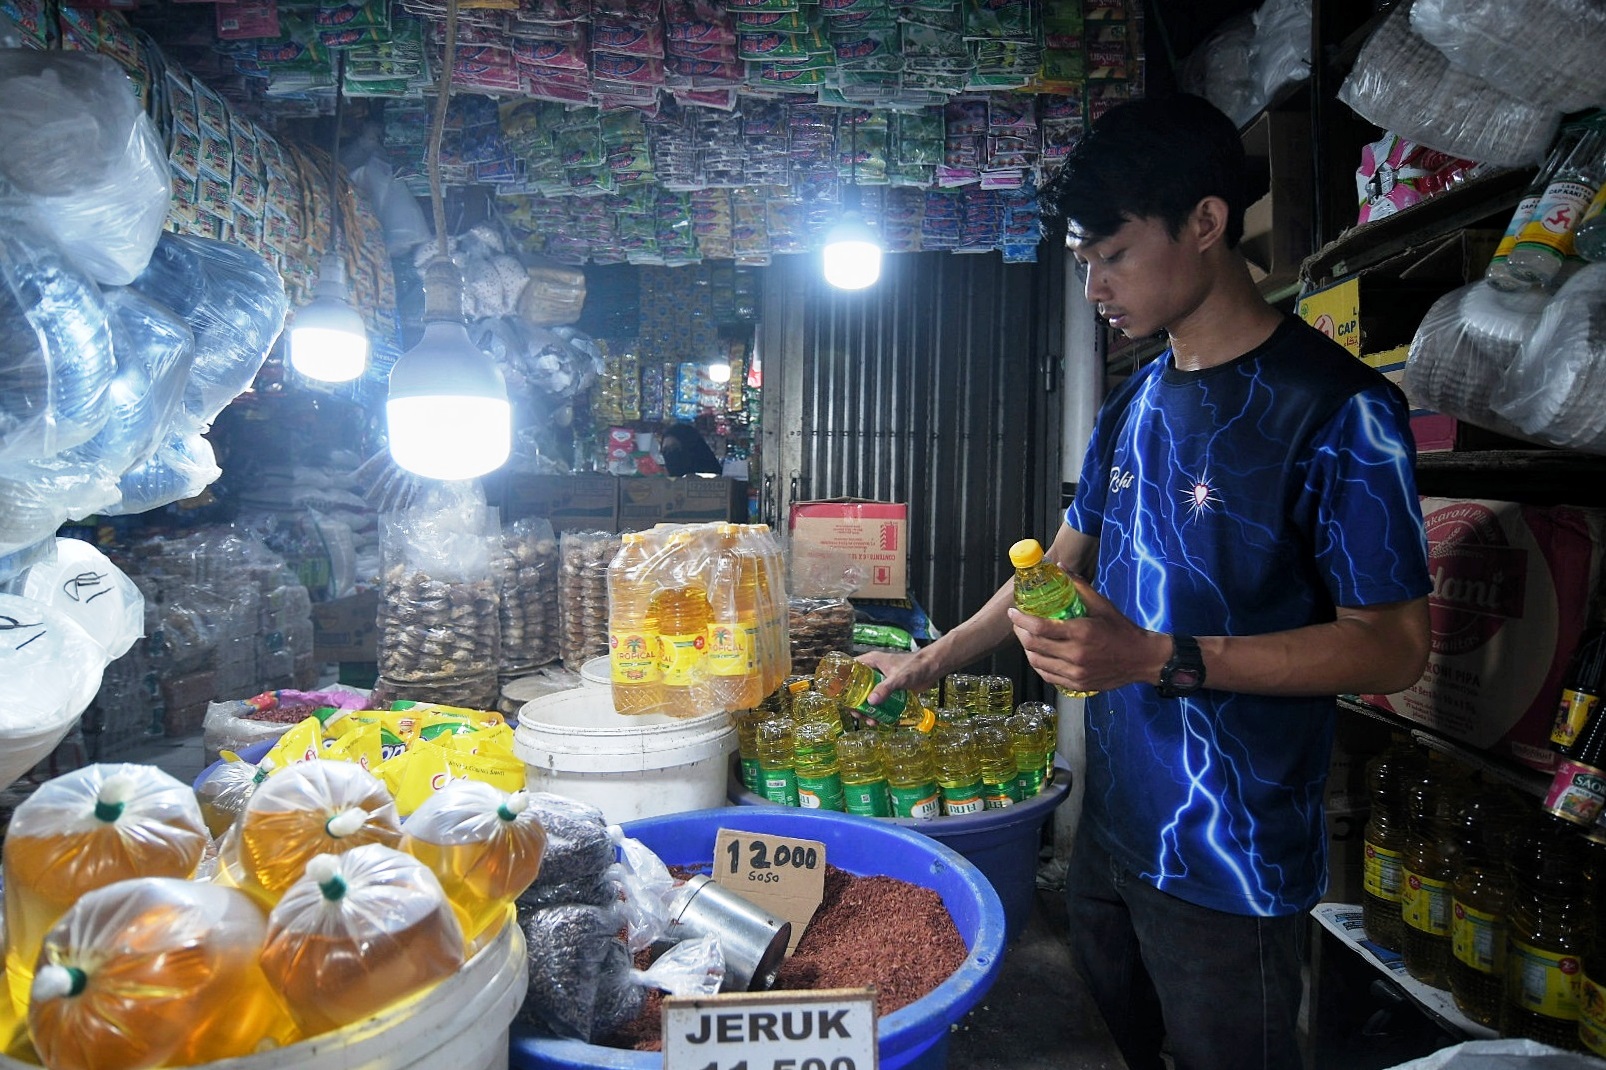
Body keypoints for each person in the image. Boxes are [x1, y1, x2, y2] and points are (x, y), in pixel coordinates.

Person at [859, 93, 1432, 1070]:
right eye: (1082, 264)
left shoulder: (1342, 411)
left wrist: (1153, 655)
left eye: (1112, 255)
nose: (1093, 288)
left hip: (1231, 859)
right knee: (1110, 1042)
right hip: (1113, 832)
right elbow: (1059, 565)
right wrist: (934, 656)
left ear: (1206, 224)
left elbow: (1391, 643)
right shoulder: (1134, 401)